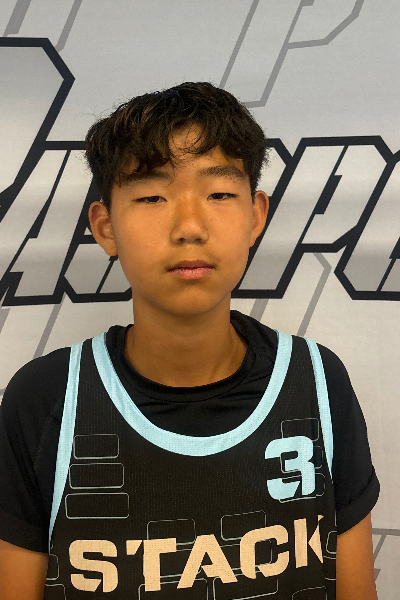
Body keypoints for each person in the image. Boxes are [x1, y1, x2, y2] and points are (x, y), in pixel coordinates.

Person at [0, 82, 379, 600]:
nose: (189, 227)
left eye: (219, 193)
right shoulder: (46, 399)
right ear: (105, 227)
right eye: (151, 197)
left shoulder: (316, 381)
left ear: (255, 215)